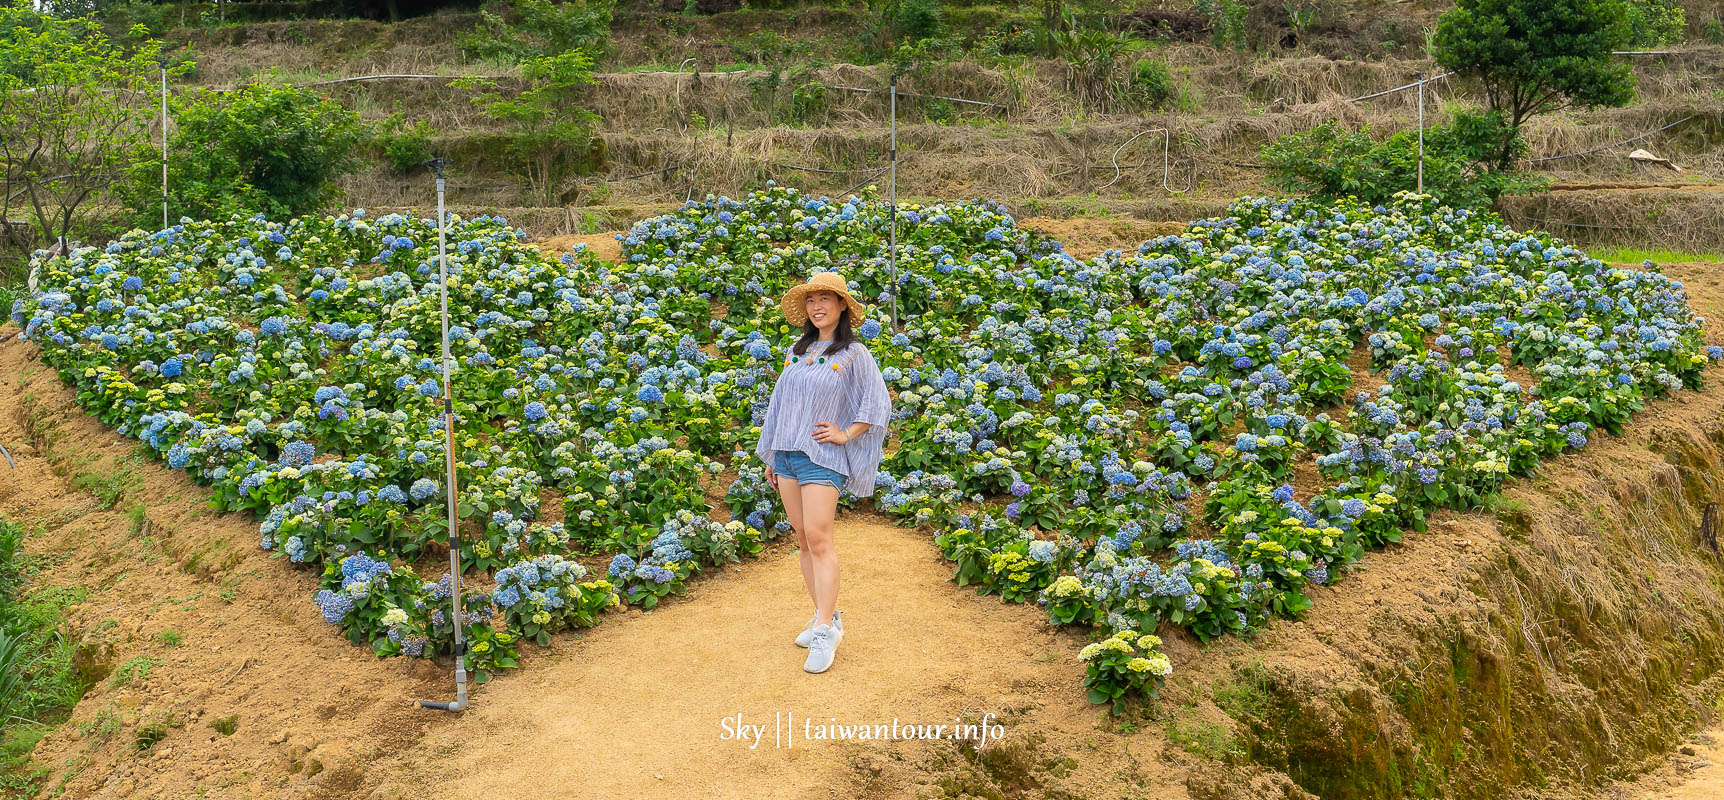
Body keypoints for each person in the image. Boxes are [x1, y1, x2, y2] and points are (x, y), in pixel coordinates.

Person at [753, 271, 893, 674]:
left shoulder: (854, 354)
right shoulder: (797, 351)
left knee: (819, 536)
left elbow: (877, 403)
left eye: (825, 300)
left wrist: (846, 433)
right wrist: (772, 456)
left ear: (842, 306)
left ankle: (825, 631)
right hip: (788, 456)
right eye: (811, 301)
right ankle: (823, 618)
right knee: (801, 537)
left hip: (822, 457)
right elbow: (781, 405)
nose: (817, 307)